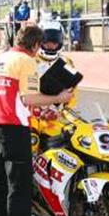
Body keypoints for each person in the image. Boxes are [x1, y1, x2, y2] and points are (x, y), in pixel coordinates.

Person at [0, 25, 73, 216]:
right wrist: (58, 97)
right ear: (34, 45)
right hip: (14, 127)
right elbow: (30, 98)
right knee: (20, 186)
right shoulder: (27, 62)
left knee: (0, 182)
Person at [31, 19, 79, 149]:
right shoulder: (30, 59)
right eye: (46, 41)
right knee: (31, 143)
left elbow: (72, 92)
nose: (51, 45)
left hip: (54, 117)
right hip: (31, 116)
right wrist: (38, 110)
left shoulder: (67, 62)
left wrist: (59, 110)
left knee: (68, 143)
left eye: (55, 40)